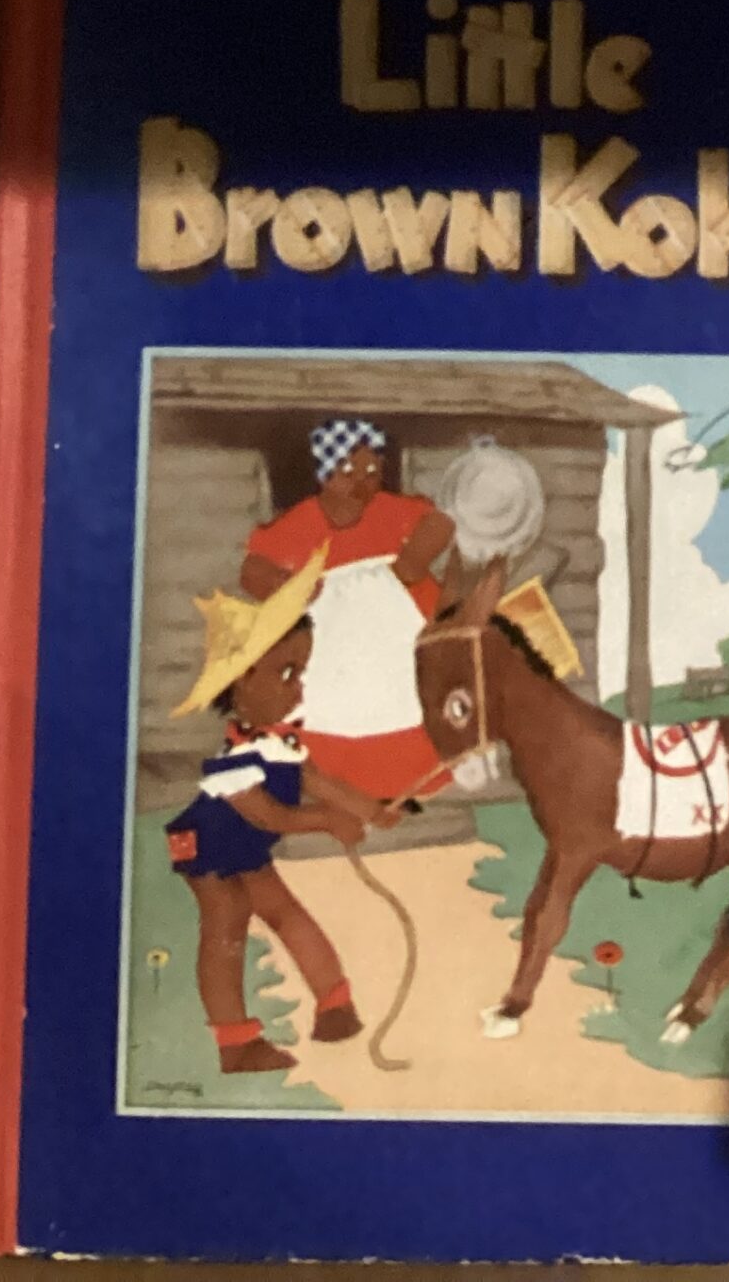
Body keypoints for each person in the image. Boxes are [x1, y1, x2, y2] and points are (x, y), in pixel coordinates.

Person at [167, 545, 396, 1075]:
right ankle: (234, 1042)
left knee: (286, 913)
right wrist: (328, 820)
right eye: (287, 673)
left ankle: (334, 1004)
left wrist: (373, 810)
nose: (300, 687)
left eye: (302, 672)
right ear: (242, 682)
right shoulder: (235, 762)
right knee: (226, 924)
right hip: (207, 847)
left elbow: (317, 780)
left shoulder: (279, 743)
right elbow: (271, 816)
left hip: (244, 848)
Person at [241, 420, 455, 801]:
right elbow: (253, 569)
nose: (361, 483)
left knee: (407, 690)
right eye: (348, 472)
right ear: (324, 475)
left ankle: (412, 777)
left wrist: (411, 563)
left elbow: (439, 524)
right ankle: (345, 789)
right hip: (330, 632)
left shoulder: (391, 511)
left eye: (372, 473)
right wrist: (287, 587)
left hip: (393, 624)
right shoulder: (302, 523)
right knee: (332, 701)